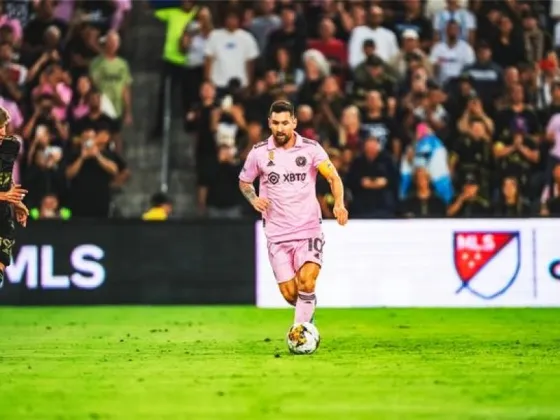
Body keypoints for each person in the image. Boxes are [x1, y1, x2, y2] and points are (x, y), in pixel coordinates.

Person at [238, 100, 348, 331]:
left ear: (294, 122)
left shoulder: (310, 149)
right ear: (269, 123)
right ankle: (307, 315)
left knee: (307, 282)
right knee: (291, 294)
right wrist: (254, 198)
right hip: (277, 233)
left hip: (308, 229)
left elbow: (333, 177)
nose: (280, 128)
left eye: (285, 123)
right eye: (276, 123)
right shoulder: (259, 153)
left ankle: (302, 333)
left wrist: (339, 203)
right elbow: (245, 182)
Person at [0, 107, 29, 287]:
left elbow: (5, 178)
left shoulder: (10, 146)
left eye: (2, 126)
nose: (1, 132)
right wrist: (4, 196)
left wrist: (16, 202)